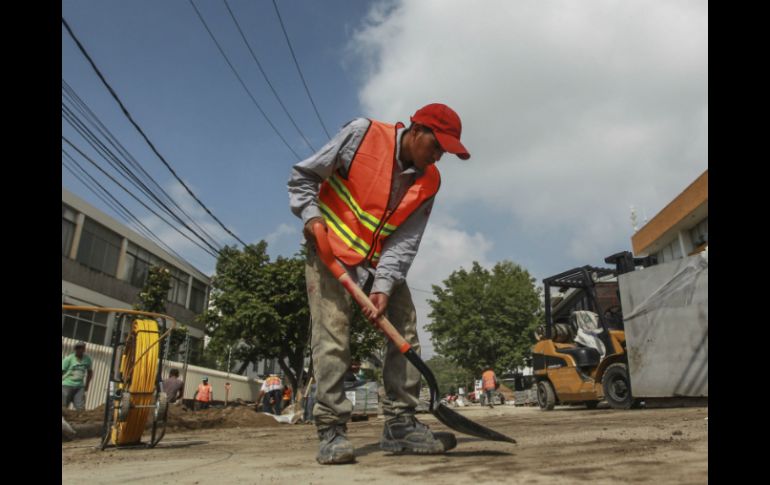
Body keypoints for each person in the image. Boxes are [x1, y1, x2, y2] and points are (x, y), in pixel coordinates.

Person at [288, 103, 471, 464]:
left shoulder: (429, 181)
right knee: (333, 337)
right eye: (436, 147)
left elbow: (405, 239)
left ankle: (400, 424)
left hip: (376, 262)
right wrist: (311, 218)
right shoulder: (363, 134)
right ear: (417, 131)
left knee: (404, 328)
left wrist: (384, 285)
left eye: (444, 153)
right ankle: (331, 430)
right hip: (330, 252)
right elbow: (304, 177)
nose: (438, 157)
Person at [62, 341, 93, 411]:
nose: (80, 350)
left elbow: (90, 372)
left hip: (79, 387)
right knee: (63, 407)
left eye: (82, 348)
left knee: (81, 408)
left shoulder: (87, 359)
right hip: (67, 385)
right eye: (78, 348)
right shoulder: (69, 359)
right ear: (75, 349)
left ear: (84, 349)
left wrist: (87, 385)